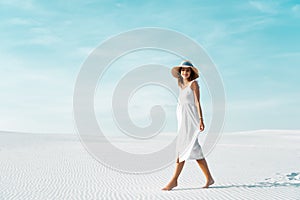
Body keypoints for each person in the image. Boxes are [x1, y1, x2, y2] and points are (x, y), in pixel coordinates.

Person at [162, 60, 214, 191]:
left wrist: (201, 120)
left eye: (187, 70)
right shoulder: (181, 86)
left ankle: (174, 180)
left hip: (191, 122)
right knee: (194, 150)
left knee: (182, 149)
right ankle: (209, 178)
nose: (185, 72)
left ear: (191, 72)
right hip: (183, 122)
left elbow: (197, 103)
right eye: (183, 70)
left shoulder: (193, 84)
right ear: (181, 72)